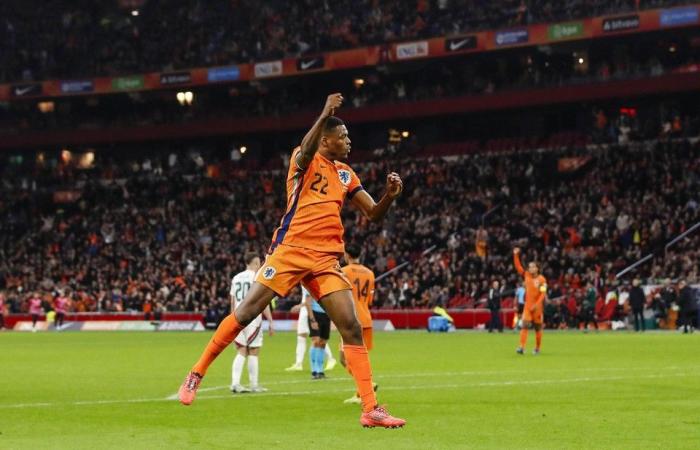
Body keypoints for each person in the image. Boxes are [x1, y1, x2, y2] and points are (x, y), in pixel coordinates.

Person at [178, 93, 406, 428]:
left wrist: (389, 196)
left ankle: (370, 409)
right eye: (342, 137)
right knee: (245, 313)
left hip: (326, 259)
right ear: (326, 140)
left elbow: (372, 214)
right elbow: (306, 147)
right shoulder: (304, 158)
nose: (349, 141)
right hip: (290, 250)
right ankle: (196, 373)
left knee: (351, 326)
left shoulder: (346, 174)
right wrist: (325, 111)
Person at [229, 253, 275, 393]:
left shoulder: (236, 278)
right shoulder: (257, 277)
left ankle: (235, 384)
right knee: (253, 351)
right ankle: (254, 385)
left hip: (237, 317)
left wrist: (232, 321)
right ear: (255, 263)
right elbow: (262, 301)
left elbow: (232, 301)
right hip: (253, 318)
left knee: (241, 351)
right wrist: (271, 321)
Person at [339, 244, 376, 403]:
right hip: (366, 319)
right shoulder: (370, 273)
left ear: (347, 255)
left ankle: (367, 386)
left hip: (350, 320)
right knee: (361, 358)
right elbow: (370, 300)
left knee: (344, 359)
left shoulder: (343, 272)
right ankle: (361, 394)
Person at [285, 287, 337, 372]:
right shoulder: (308, 281)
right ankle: (305, 366)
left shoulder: (317, 281)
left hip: (320, 311)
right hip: (310, 310)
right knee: (309, 337)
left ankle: (329, 359)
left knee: (320, 340)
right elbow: (308, 297)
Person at [513, 248, 546, 355]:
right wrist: (515, 255)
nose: (530, 268)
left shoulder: (542, 279)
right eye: (529, 267)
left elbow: (543, 294)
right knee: (524, 325)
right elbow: (518, 267)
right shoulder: (526, 275)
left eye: (533, 267)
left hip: (537, 308)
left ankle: (537, 348)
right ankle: (521, 347)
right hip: (527, 306)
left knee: (537, 328)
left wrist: (537, 305)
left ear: (537, 268)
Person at [306, 290, 331, 379]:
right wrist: (312, 319)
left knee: (323, 343)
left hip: (326, 314)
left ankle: (320, 371)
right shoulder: (311, 284)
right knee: (316, 341)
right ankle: (314, 371)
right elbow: (308, 301)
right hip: (315, 314)